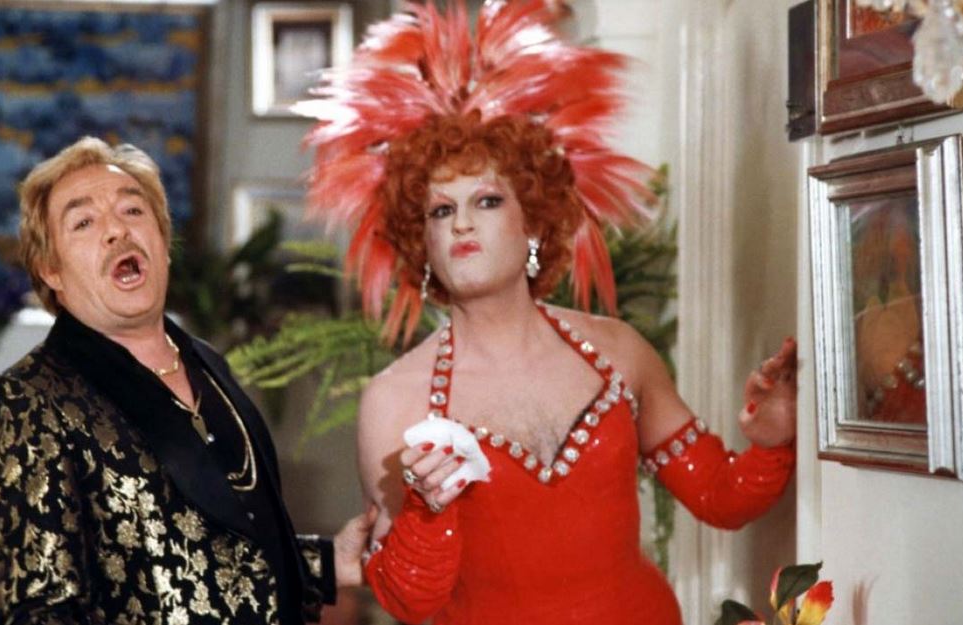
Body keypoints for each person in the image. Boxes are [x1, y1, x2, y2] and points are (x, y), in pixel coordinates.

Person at [295, 1, 797, 623]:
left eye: (487, 200)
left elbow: (722, 497)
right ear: (422, 244)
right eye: (441, 211)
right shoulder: (395, 401)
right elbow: (407, 599)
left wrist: (771, 442)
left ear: (532, 221)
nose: (463, 223)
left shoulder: (618, 352)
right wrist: (429, 507)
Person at [0, 137, 374, 625]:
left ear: (162, 241)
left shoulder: (209, 365)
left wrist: (328, 563)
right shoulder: (23, 401)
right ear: (51, 270)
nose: (117, 230)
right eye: (84, 222)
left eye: (133, 211)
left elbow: (215, 547)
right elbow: (42, 611)